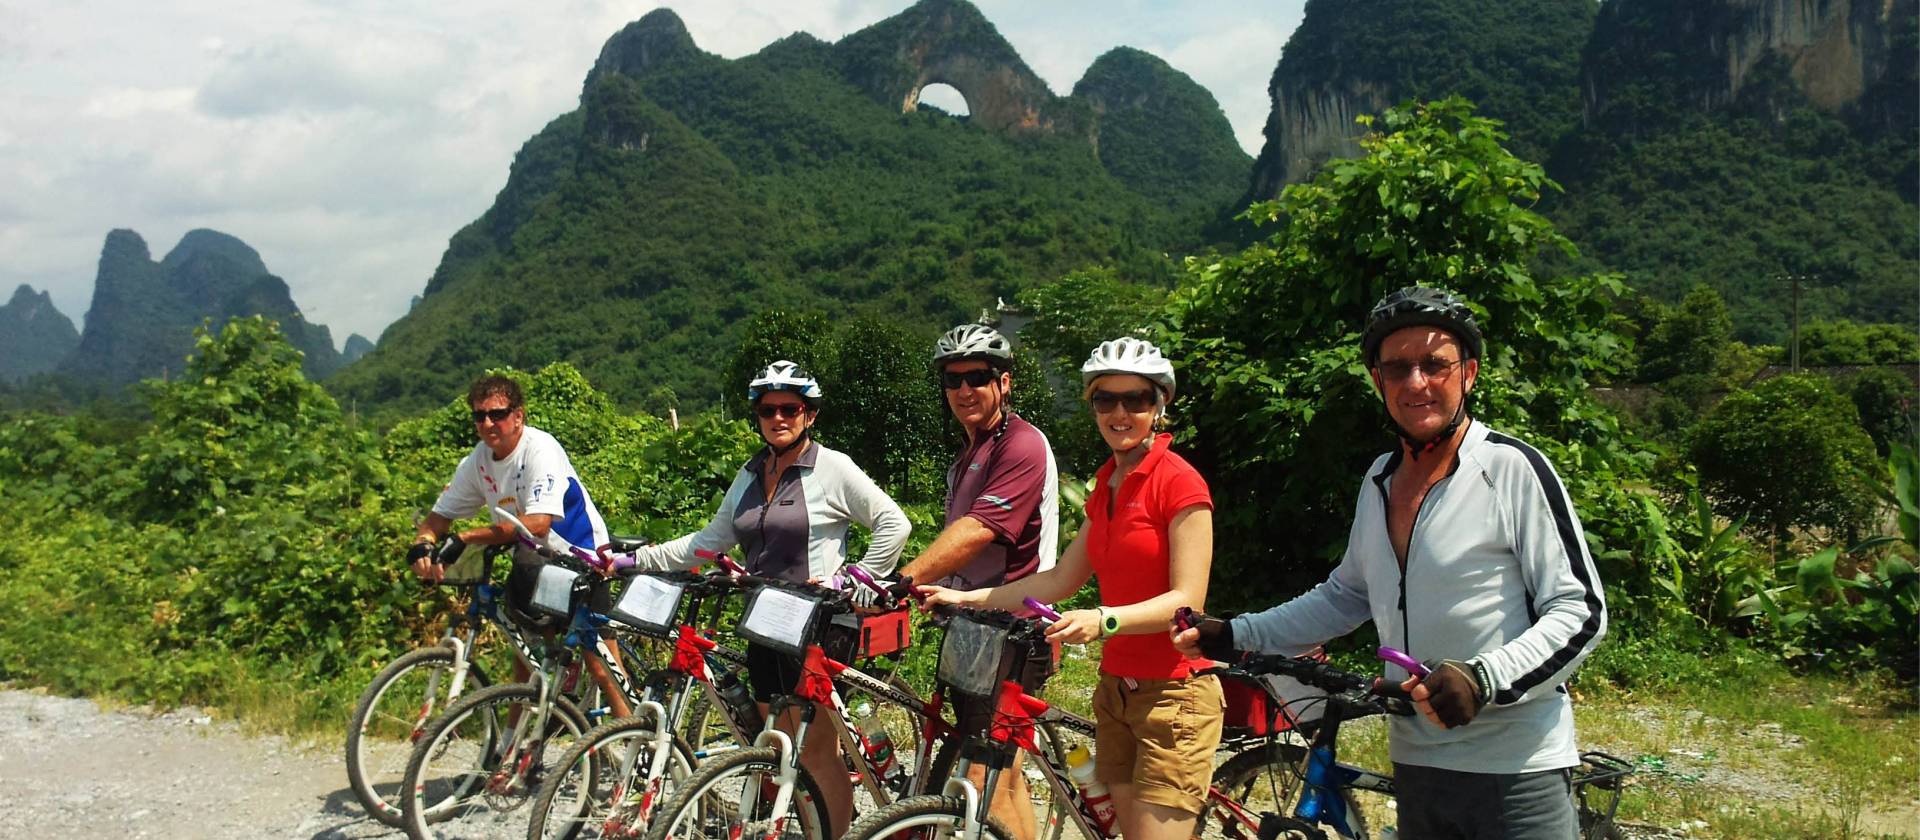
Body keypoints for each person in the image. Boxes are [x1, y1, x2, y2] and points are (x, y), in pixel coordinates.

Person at [1174, 287, 1607, 840]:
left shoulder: (1513, 469)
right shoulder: (1379, 479)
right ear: (1378, 381)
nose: (1416, 382)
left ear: (1469, 372)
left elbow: (1581, 609)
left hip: (1515, 769)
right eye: (1397, 368)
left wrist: (1483, 679)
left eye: (1435, 364)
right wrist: (1237, 633)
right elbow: (1346, 596)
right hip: (1417, 765)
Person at [922, 337, 1221, 840]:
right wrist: (967, 597)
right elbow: (1060, 579)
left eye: (1137, 401)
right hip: (1116, 691)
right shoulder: (1108, 484)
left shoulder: (1179, 483)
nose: (1120, 413)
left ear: (1159, 406)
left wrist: (1102, 619)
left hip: (1174, 695)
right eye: (1107, 400)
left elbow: (1187, 600)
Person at [631, 360, 910, 837]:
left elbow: (894, 523)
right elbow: (707, 542)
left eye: (790, 408)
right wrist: (637, 559)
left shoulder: (830, 467)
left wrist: (855, 578)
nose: (778, 418)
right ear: (756, 416)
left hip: (817, 629)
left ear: (810, 414)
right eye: (767, 409)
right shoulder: (750, 473)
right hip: (765, 623)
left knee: (817, 754)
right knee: (780, 745)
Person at [897, 323, 1058, 840]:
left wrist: (902, 580)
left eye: (977, 376)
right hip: (975, 630)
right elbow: (962, 549)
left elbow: (978, 531)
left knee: (981, 780)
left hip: (1014, 632)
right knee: (1002, 777)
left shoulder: (1023, 445)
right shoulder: (970, 454)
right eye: (952, 379)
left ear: (1003, 382)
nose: (964, 389)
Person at [407, 374, 630, 717]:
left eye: (497, 414)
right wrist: (424, 543)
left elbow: (538, 524)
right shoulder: (478, 461)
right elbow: (439, 517)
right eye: (479, 415)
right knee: (523, 659)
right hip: (532, 562)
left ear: (518, 415)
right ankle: (510, 752)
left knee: (600, 667)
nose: (487, 423)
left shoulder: (540, 449)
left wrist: (466, 537)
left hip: (580, 557)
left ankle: (636, 743)